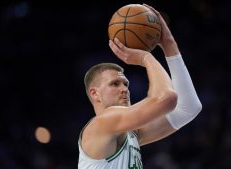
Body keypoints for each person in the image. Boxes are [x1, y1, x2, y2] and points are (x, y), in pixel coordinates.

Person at [78, 4, 202, 169]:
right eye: (114, 84)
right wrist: (146, 58)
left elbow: (189, 109)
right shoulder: (102, 124)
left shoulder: (130, 134)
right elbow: (167, 99)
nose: (124, 89)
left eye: (125, 84)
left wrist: (169, 43)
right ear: (94, 94)